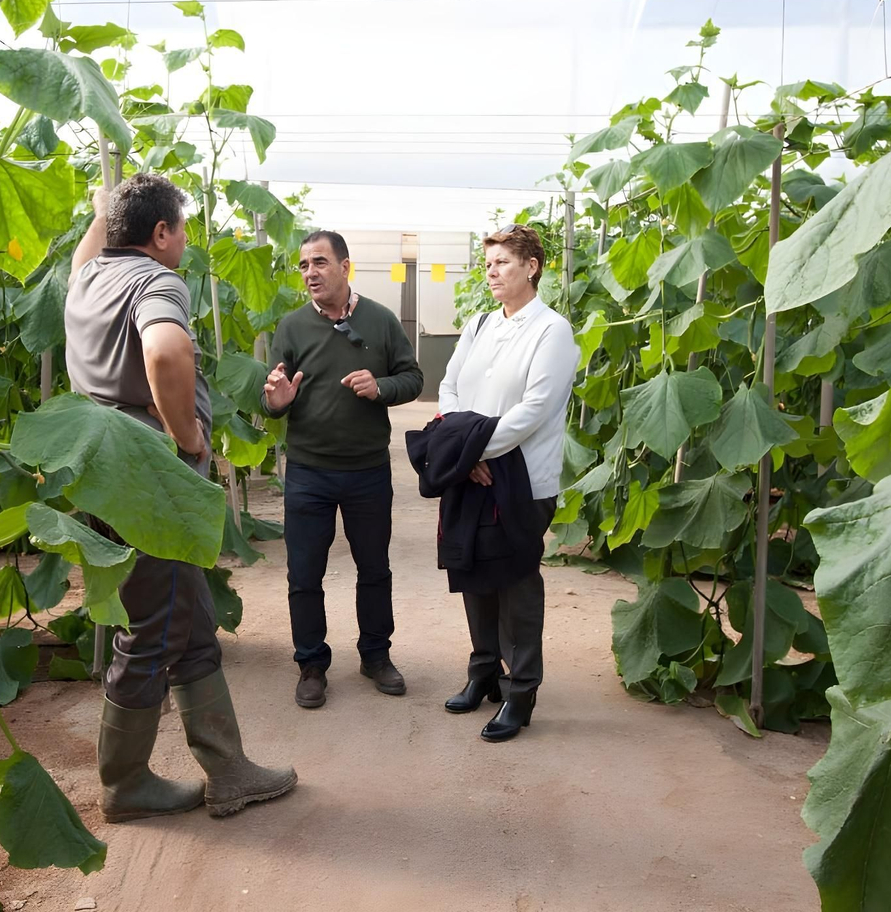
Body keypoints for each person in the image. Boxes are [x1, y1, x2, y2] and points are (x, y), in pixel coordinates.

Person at [66, 172, 297, 820]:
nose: (187, 240)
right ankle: (125, 783)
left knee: (187, 619)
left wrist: (102, 209)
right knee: (150, 632)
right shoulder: (159, 281)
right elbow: (167, 353)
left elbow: (92, 247)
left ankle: (230, 770)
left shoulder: (88, 276)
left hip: (104, 470)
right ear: (160, 234)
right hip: (150, 481)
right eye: (182, 227)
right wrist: (189, 437)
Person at [261, 231, 424, 709]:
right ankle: (311, 664)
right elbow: (274, 393)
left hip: (368, 471)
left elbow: (414, 377)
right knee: (303, 573)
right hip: (309, 472)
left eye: (320, 262)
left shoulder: (381, 321)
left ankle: (376, 655)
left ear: (345, 266)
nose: (310, 272)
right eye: (304, 265)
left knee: (374, 569)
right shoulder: (291, 327)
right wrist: (274, 402)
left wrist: (382, 386)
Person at [433, 223, 577, 742]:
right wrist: (462, 448)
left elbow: (535, 409)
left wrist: (474, 447)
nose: (491, 272)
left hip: (522, 480)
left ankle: (521, 694)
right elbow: (448, 387)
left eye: (502, 263)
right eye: (488, 263)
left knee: (516, 584)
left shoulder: (552, 331)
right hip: (472, 473)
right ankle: (483, 675)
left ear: (531, 267)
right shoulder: (477, 325)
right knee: (473, 573)